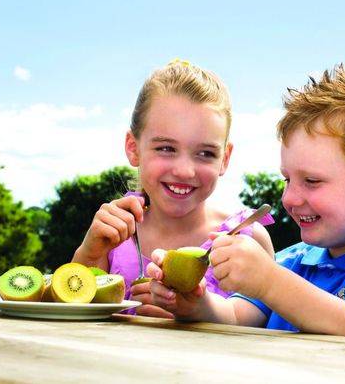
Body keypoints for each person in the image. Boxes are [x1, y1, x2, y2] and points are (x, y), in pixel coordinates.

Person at [147, 65, 345, 344]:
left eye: (312, 181)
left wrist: (269, 282)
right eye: (287, 180)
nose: (290, 198)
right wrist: (196, 304)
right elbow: (237, 315)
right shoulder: (296, 261)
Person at [72, 59, 275, 318]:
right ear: (133, 148)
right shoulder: (114, 234)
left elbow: (254, 321)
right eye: (166, 148)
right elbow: (73, 305)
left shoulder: (244, 238)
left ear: (224, 159)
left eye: (205, 153)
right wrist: (88, 254)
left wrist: (197, 308)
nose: (184, 171)